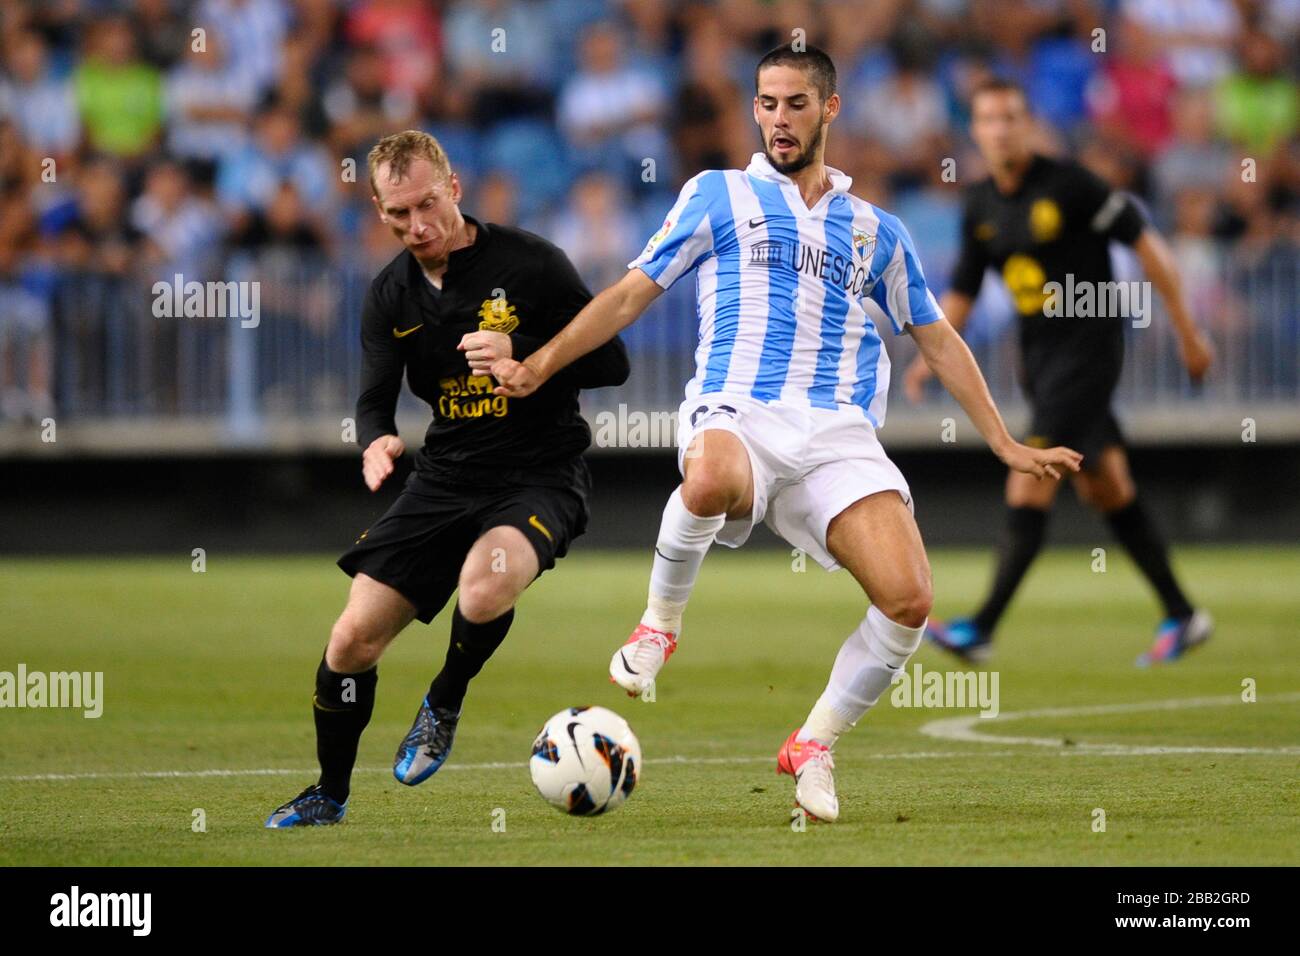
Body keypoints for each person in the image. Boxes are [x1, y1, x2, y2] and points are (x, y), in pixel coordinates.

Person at [492, 47, 1079, 822]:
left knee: (909, 599)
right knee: (707, 481)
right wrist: (539, 364)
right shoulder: (717, 196)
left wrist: (1003, 441)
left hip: (838, 435)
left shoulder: (876, 231)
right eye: (766, 103)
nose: (778, 119)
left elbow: (938, 338)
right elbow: (630, 293)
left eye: (795, 104)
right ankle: (659, 627)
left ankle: (814, 744)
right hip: (737, 410)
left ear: (830, 108)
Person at [266, 130, 629, 827]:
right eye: (398, 214)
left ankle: (444, 701)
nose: (417, 226)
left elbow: (612, 361)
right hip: (444, 477)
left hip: (538, 473)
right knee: (350, 643)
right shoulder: (389, 295)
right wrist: (374, 441)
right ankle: (329, 794)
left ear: (454, 188)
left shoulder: (532, 264)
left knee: (486, 581)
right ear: (380, 212)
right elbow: (375, 397)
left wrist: (526, 351)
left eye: (427, 205)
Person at [902, 78, 1214, 666]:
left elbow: (1146, 244)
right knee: (1107, 486)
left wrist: (1189, 333)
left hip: (1090, 353)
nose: (1002, 129)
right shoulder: (980, 205)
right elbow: (965, 290)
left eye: (1012, 116)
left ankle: (983, 626)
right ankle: (1183, 614)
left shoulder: (1071, 185)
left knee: (1030, 473)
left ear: (1027, 125)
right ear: (976, 131)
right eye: (990, 119)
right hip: (1040, 362)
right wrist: (926, 359)